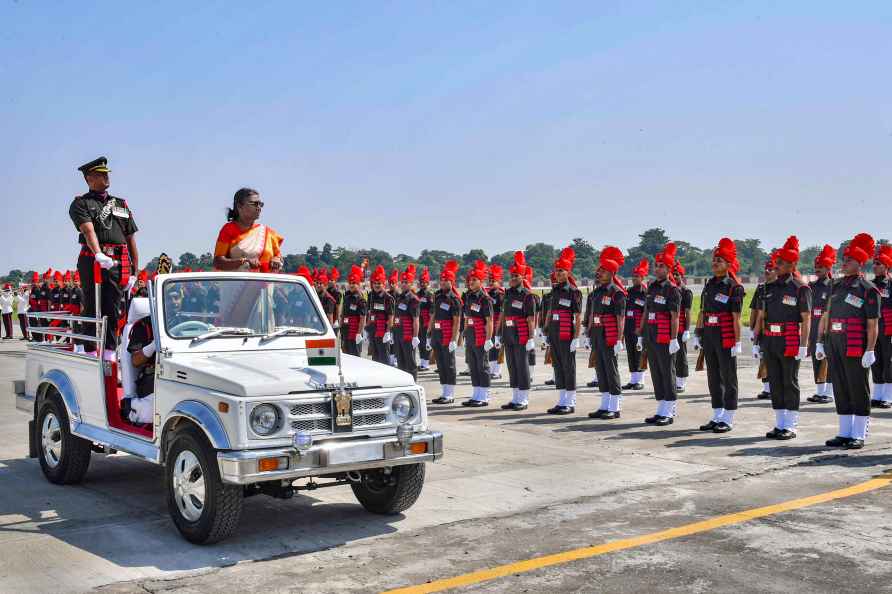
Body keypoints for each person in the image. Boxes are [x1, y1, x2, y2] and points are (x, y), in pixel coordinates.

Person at [69, 157, 139, 359]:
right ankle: (90, 350)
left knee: (113, 307)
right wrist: (98, 253)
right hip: (92, 259)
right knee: (92, 304)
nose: (106, 176)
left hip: (117, 260)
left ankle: (109, 353)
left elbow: (130, 239)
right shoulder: (81, 203)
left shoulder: (120, 204)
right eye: (100, 174)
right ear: (89, 179)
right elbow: (88, 231)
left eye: (106, 173)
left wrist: (134, 271)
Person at [815, 233, 880, 449]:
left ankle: (859, 433)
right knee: (840, 387)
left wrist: (870, 350)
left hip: (855, 344)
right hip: (834, 342)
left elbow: (872, 324)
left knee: (857, 387)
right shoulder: (835, 286)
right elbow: (826, 315)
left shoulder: (868, 290)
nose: (844, 263)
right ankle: (844, 432)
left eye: (849, 260)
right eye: (843, 260)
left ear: (860, 264)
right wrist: (820, 342)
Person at [755, 236, 811, 440]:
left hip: (789, 341)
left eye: (780, 263)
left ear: (792, 264)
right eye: (776, 262)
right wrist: (758, 342)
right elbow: (762, 317)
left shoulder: (800, 288)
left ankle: (791, 424)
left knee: (789, 381)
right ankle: (779, 423)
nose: (776, 266)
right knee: (775, 382)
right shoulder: (768, 288)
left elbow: (806, 319)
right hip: (771, 340)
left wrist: (804, 345)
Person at [692, 238, 745, 433]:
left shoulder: (734, 287)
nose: (715, 263)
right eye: (714, 260)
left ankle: (728, 417)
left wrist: (737, 341)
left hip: (726, 336)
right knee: (713, 376)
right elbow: (703, 311)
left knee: (728, 376)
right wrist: (698, 333)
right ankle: (717, 415)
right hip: (710, 336)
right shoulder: (710, 284)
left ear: (729, 265)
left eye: (720, 261)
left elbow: (736, 317)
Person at [639, 243, 682, 425]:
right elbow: (646, 311)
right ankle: (661, 408)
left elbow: (675, 316)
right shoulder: (651, 287)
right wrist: (641, 334)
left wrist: (674, 338)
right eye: (656, 265)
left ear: (669, 268)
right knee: (656, 372)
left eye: (662, 266)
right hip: (651, 334)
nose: (657, 269)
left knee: (667, 372)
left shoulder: (672, 290)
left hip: (665, 336)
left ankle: (670, 410)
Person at [585, 247, 627, 420]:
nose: (599, 273)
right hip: (597, 335)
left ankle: (615, 407)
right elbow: (592, 315)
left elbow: (620, 318)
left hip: (610, 337)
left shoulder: (616, 293)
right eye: (599, 270)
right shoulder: (596, 292)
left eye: (603, 271)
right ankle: (604, 405)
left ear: (611, 273)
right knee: (600, 370)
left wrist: (619, 340)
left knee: (611, 370)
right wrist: (588, 334)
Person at [546, 247, 583, 415]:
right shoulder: (554, 290)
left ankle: (570, 401)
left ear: (568, 272)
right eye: (557, 271)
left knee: (569, 367)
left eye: (561, 271)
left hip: (567, 335)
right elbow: (550, 312)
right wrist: (546, 332)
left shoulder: (573, 292)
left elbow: (577, 317)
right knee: (558, 367)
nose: (558, 274)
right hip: (554, 334)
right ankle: (561, 400)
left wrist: (576, 338)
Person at [499, 252, 537, 411]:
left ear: (523, 277)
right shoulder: (507, 294)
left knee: (522, 367)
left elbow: (530, 319)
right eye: (512, 275)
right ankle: (515, 398)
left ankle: (524, 399)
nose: (513, 278)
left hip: (521, 336)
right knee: (512, 367)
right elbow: (503, 315)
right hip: (508, 335)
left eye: (516, 275)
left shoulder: (527, 296)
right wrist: (500, 334)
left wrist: (531, 338)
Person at [213, 188, 284, 273]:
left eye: (260, 204)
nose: (259, 208)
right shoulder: (228, 230)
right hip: (235, 284)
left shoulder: (268, 232)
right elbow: (218, 262)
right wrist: (244, 261)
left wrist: (276, 259)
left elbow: (279, 257)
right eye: (254, 204)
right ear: (239, 206)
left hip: (265, 284)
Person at [460, 261, 494, 407]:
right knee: (473, 365)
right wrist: (464, 334)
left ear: (481, 282)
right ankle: (476, 394)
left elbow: (489, 320)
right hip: (471, 335)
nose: (471, 282)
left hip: (481, 335)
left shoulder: (484, 299)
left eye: (474, 280)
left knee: (482, 365)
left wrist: (488, 338)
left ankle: (484, 396)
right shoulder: (468, 297)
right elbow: (467, 318)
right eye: (470, 280)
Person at [807, 245, 837, 404]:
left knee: (829, 360)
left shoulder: (833, 285)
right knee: (816, 358)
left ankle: (830, 392)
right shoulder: (811, 286)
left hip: (828, 328)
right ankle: (819, 392)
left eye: (820, 266)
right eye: (816, 266)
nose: (817, 269)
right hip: (814, 326)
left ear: (828, 267)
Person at [429, 261, 462, 404]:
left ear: (452, 282)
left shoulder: (454, 300)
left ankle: (450, 394)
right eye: (441, 280)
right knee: (440, 364)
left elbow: (457, 321)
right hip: (437, 334)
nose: (442, 282)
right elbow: (434, 315)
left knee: (449, 364)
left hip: (448, 334)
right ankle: (444, 392)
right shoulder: (437, 296)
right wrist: (429, 334)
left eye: (445, 280)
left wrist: (454, 340)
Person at [752, 253, 778, 399]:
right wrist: (752, 331)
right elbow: (755, 312)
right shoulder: (761, 288)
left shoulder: (781, 288)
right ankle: (767, 389)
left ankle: (776, 387)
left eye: (771, 269)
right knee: (764, 359)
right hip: (763, 328)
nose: (767, 272)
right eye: (766, 269)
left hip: (779, 330)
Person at [623, 259, 649, 390]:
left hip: (639, 327)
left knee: (640, 353)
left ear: (642, 277)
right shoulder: (629, 291)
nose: (634, 279)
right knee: (631, 353)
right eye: (633, 276)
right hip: (628, 326)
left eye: (637, 276)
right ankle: (633, 380)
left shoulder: (645, 293)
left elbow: (646, 312)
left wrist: (642, 329)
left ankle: (641, 380)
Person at [872, 244, 892, 408]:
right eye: (874, 263)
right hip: (874, 329)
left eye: (878, 264)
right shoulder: (870, 285)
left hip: (888, 329)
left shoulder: (891, 284)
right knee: (876, 361)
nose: (875, 266)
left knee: (889, 361)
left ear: (887, 266)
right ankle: (877, 394)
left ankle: (888, 395)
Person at [393, 264, 421, 380]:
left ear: (411, 283)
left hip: (407, 335)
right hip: (398, 333)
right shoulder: (399, 297)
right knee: (400, 361)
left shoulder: (413, 299)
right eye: (402, 282)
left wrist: (415, 336)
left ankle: (413, 382)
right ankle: (403, 382)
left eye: (406, 282)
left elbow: (415, 320)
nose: (403, 284)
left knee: (410, 362)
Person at [366, 265, 395, 365]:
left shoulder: (388, 298)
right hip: (373, 329)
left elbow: (391, 317)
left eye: (379, 283)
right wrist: (367, 328)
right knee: (375, 355)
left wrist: (388, 332)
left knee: (384, 356)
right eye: (375, 283)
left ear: (383, 284)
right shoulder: (371, 295)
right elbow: (370, 312)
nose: (377, 285)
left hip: (383, 331)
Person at [674, 263, 693, 393]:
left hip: (681, 328)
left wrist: (687, 330)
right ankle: (674, 380)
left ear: (682, 276)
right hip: (670, 329)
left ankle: (681, 382)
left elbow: (687, 313)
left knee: (681, 356)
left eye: (677, 274)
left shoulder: (686, 292)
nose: (674, 277)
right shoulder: (670, 290)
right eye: (673, 274)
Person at [341, 265, 367, 356]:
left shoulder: (360, 300)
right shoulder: (346, 297)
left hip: (354, 332)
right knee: (345, 355)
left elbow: (362, 318)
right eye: (350, 283)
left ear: (358, 284)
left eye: (354, 283)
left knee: (355, 356)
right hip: (345, 330)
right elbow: (343, 314)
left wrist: (359, 333)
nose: (351, 285)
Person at [487, 265, 505, 379]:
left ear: (499, 282)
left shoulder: (502, 295)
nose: (491, 282)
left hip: (499, 323)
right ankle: (492, 370)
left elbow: (503, 312)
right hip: (490, 324)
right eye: (490, 280)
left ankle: (497, 371)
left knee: (498, 348)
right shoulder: (487, 294)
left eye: (494, 281)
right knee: (491, 348)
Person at [417, 267, 433, 371]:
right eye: (421, 282)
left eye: (425, 282)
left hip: (427, 322)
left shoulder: (430, 295)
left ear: (428, 283)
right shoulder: (417, 294)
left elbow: (432, 311)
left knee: (426, 343)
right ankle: (422, 362)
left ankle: (426, 363)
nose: (423, 284)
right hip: (418, 321)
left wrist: (429, 325)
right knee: (420, 343)